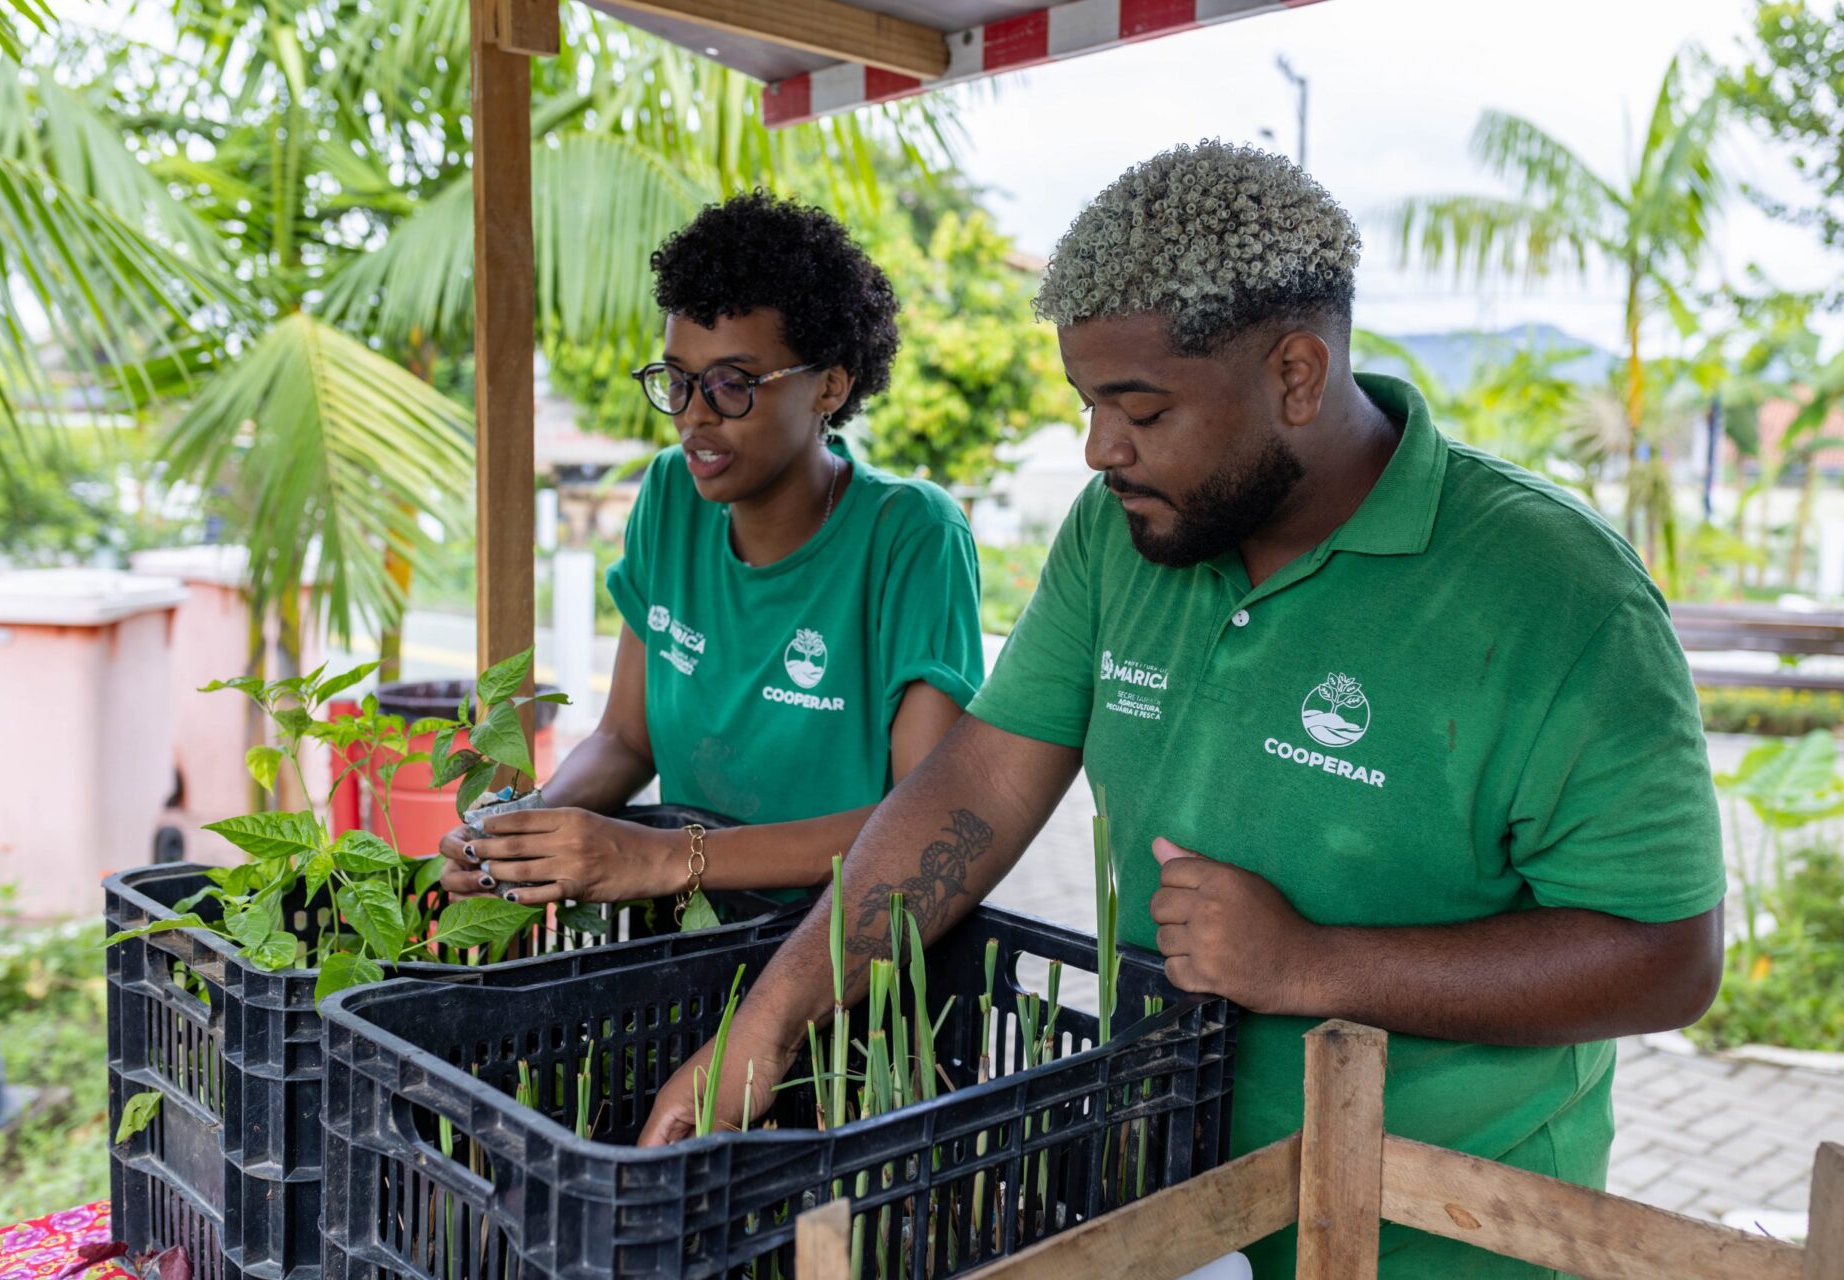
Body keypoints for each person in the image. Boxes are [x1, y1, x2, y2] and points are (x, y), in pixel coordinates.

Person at [635, 142, 1726, 1278]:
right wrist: (761, 1031)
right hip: (1170, 1206)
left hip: (1447, 1234)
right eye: (1087, 402)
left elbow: (1667, 955)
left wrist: (1313, 963)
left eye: (1141, 407)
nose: (1100, 447)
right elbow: (973, 786)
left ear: (1296, 375)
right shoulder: (1119, 535)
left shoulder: (1557, 593)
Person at [438, 192, 984, 911]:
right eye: (677, 379)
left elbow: (926, 827)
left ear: (830, 384)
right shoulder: (670, 496)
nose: (695, 413)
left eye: (733, 383)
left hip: (849, 966)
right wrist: (525, 832)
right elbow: (626, 739)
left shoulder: (912, 536)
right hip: (693, 942)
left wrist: (664, 856)